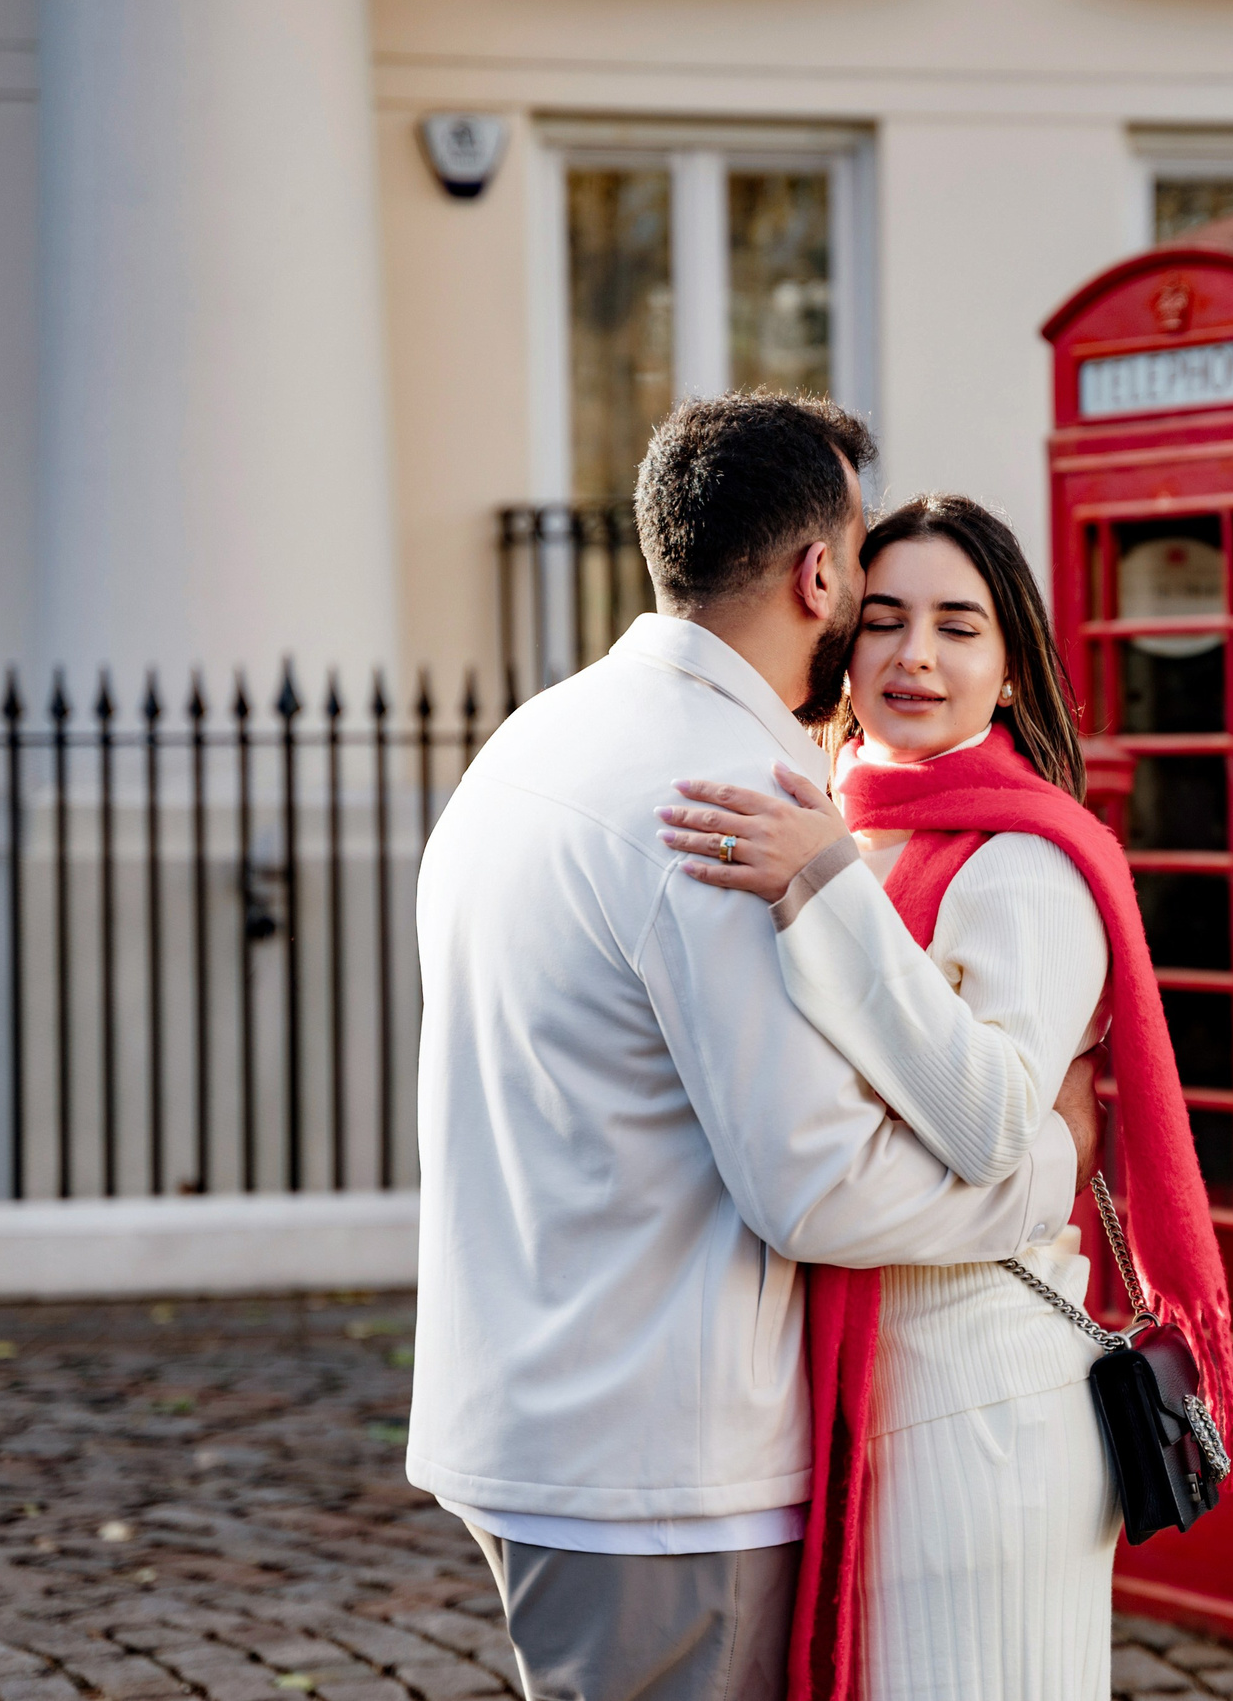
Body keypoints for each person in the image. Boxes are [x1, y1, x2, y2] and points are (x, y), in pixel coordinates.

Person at [406, 398, 1104, 1701]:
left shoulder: (535, 735)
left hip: (520, 1413)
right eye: (878, 594)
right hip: (663, 1464)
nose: (904, 646)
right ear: (819, 574)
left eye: (958, 623)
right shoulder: (733, 803)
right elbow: (818, 1184)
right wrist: (1052, 1166)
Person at [656, 494, 1233, 1701]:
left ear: (1011, 668)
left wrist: (823, 887)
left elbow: (986, 1124)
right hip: (877, 1398)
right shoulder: (840, 827)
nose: (914, 654)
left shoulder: (1023, 866)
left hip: (986, 1406)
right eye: (884, 619)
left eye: (958, 627)